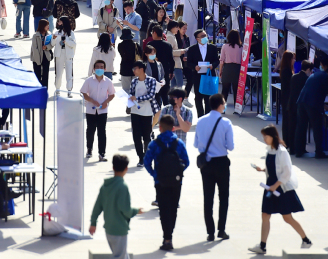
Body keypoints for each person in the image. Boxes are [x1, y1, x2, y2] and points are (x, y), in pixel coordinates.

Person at [248, 125, 311, 254]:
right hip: (270, 187)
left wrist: (275, 186)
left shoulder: (282, 152)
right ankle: (262, 245)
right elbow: (275, 168)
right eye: (264, 136)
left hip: (281, 189)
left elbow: (287, 172)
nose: (264, 139)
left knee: (287, 217)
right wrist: (263, 170)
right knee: (265, 215)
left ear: (273, 137)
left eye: (266, 136)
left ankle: (306, 240)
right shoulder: (270, 150)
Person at [144, 115, 190, 250]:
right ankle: (170, 235)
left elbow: (147, 162)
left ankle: (167, 238)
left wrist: (155, 174)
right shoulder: (179, 143)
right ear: (173, 127)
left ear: (160, 127)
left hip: (160, 182)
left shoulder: (154, 144)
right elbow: (186, 162)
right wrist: (179, 172)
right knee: (173, 208)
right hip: (176, 182)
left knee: (164, 210)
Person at [195, 93, 234, 241]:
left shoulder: (200, 121)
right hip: (222, 163)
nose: (224, 106)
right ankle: (221, 229)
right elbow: (230, 146)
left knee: (208, 197)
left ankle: (210, 231)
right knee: (223, 197)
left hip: (206, 164)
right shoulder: (226, 123)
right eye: (223, 103)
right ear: (219, 105)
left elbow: (197, 144)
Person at [89, 154, 144, 259]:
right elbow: (125, 210)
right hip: (119, 229)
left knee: (121, 255)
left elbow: (97, 206)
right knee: (120, 256)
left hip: (109, 229)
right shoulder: (123, 187)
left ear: (113, 167)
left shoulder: (106, 186)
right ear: (126, 169)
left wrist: (93, 223)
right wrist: (136, 211)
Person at [294, 59, 328, 158]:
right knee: (317, 127)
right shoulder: (327, 77)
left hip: (301, 101)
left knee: (301, 126)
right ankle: (319, 152)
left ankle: (298, 151)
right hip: (312, 104)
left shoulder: (316, 74)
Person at [81, 60, 116, 161]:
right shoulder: (88, 80)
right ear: (94, 69)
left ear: (105, 69)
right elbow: (83, 93)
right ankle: (89, 149)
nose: (99, 69)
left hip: (102, 110)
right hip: (90, 110)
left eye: (101, 67)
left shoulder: (108, 82)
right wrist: (91, 100)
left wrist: (106, 102)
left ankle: (102, 153)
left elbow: (112, 94)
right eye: (97, 67)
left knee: (101, 131)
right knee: (90, 130)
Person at [128, 61, 160, 166]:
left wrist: (137, 98)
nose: (134, 71)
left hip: (147, 112)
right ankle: (141, 157)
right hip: (135, 111)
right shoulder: (134, 81)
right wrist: (130, 99)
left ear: (141, 69)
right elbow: (131, 93)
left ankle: (147, 155)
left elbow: (151, 95)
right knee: (136, 136)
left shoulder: (151, 80)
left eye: (135, 68)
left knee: (147, 136)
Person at [186, 30, 220, 119]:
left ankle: (208, 117)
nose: (205, 37)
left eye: (205, 35)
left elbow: (217, 60)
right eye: (202, 36)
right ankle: (200, 117)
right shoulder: (192, 49)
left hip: (209, 75)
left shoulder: (212, 47)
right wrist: (195, 67)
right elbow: (188, 62)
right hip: (197, 76)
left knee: (208, 97)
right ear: (197, 39)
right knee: (198, 97)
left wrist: (213, 65)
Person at [53, 15, 77, 94]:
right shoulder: (57, 33)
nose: (58, 23)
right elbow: (53, 44)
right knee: (59, 73)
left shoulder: (71, 33)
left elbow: (73, 44)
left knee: (69, 73)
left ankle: (69, 90)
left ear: (64, 22)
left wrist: (65, 41)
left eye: (60, 21)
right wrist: (53, 38)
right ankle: (57, 89)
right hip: (59, 54)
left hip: (68, 55)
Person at [219, 30, 242, 103]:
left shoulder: (224, 46)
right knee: (237, 91)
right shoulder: (241, 47)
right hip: (237, 68)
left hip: (227, 68)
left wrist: (220, 71)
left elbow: (221, 60)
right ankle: (237, 108)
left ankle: (222, 108)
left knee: (225, 90)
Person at [30, 20, 53, 88]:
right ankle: (38, 90)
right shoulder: (35, 36)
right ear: (42, 26)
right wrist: (38, 61)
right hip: (37, 57)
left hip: (46, 56)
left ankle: (45, 91)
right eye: (46, 25)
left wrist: (47, 47)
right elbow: (34, 48)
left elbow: (51, 45)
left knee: (45, 75)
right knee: (37, 75)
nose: (48, 27)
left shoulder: (49, 34)